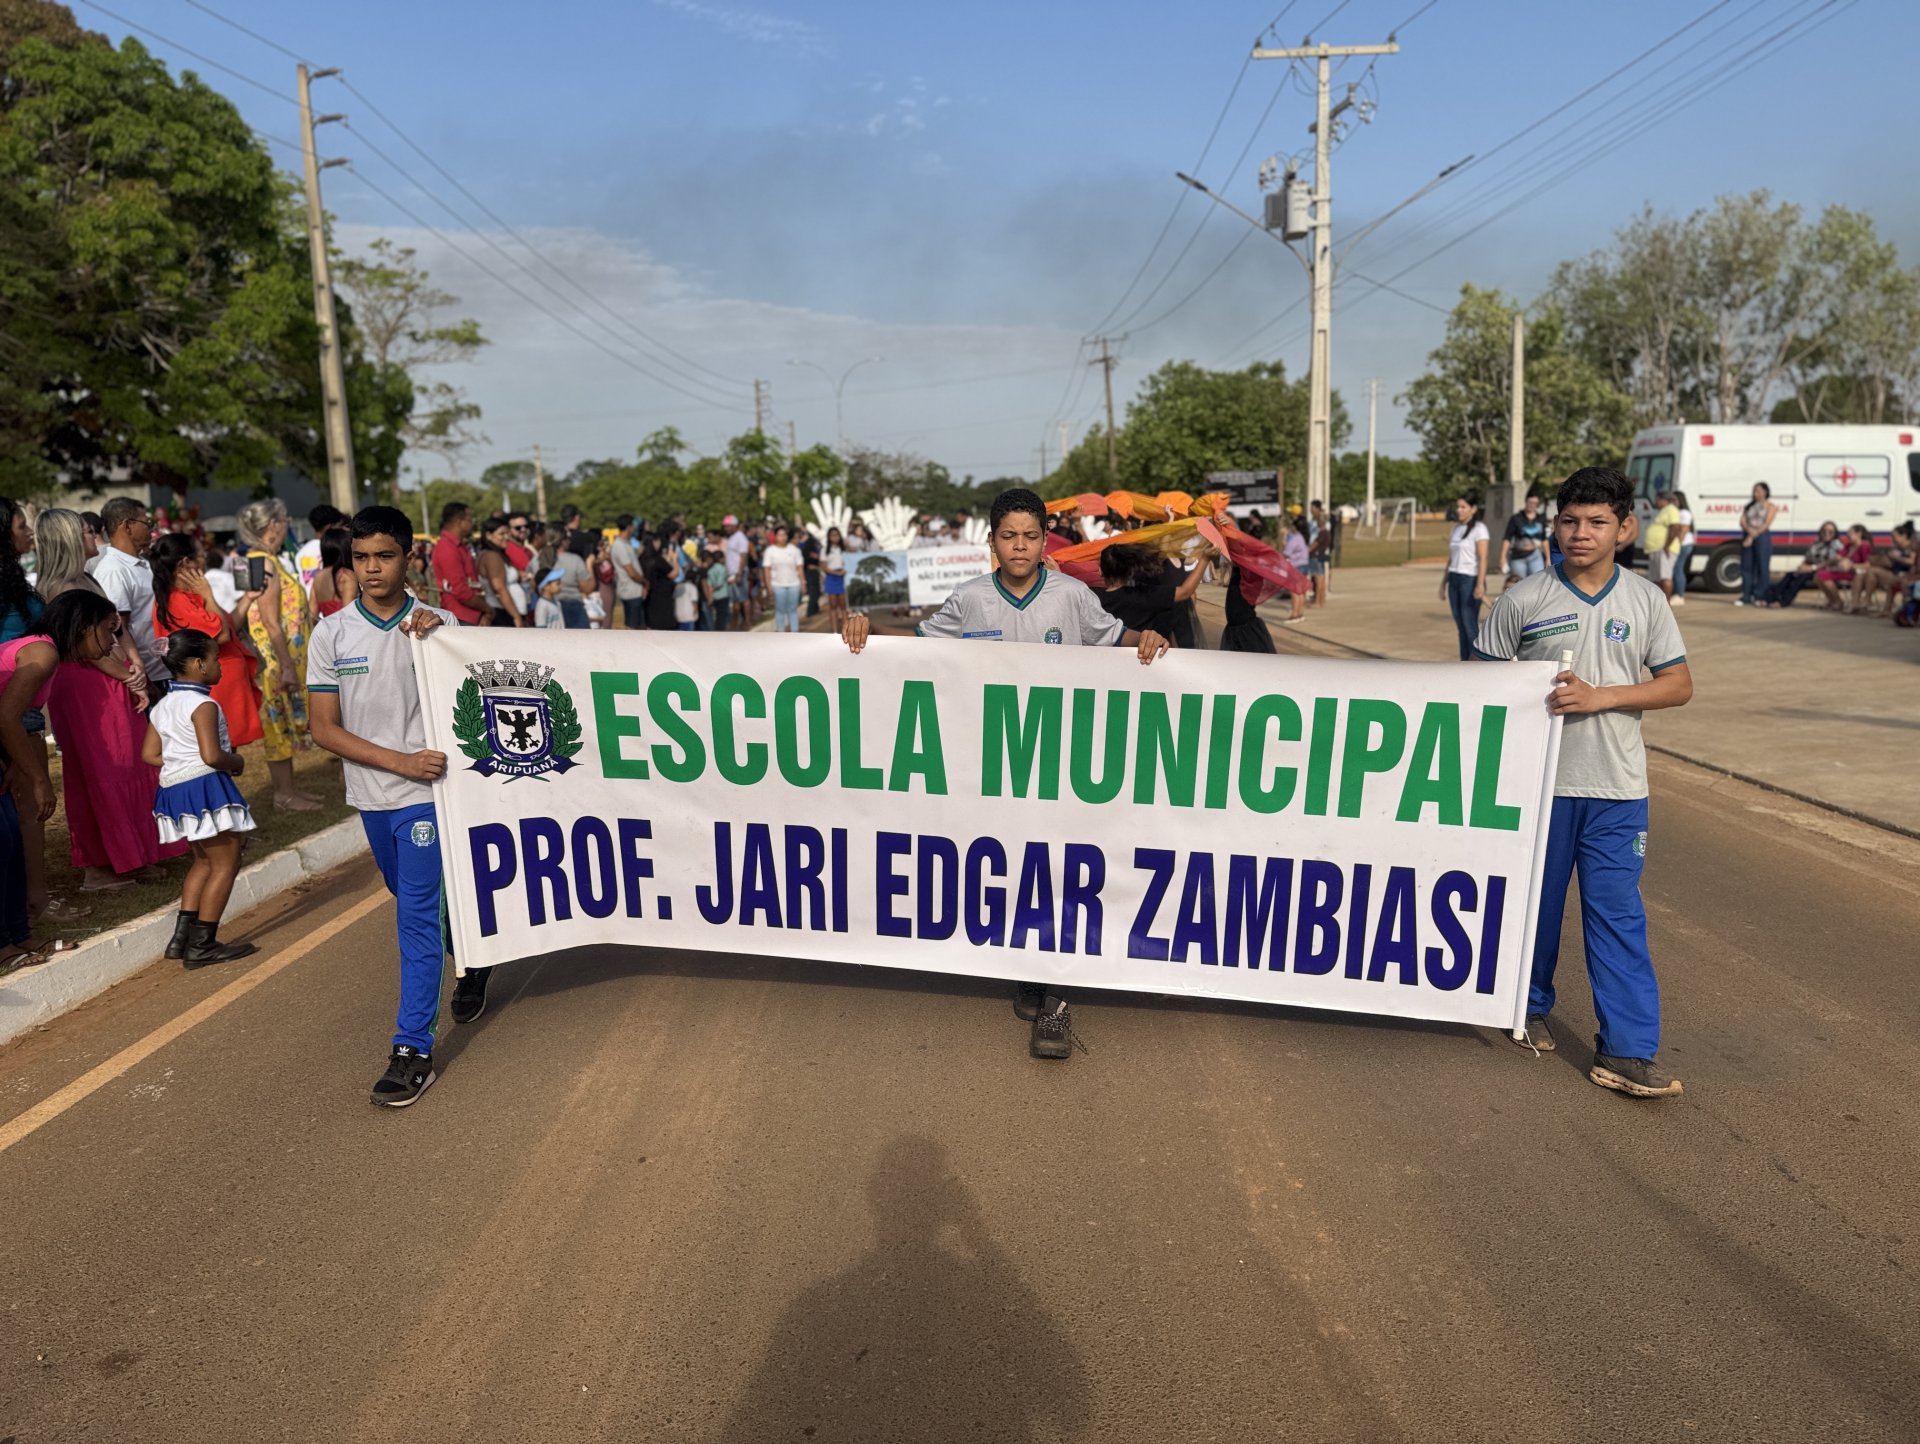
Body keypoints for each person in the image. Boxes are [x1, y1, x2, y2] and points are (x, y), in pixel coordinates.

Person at [841, 487, 1170, 1060]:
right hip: (995, 768)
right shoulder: (970, 599)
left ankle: (1057, 1004)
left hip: (1062, 763)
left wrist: (1150, 639)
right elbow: (916, 649)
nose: (1020, 546)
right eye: (1009, 536)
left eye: (1031, 536)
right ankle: (1030, 970)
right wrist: (866, 631)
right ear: (991, 543)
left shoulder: (1073, 596)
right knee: (1016, 868)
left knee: (1062, 871)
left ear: (1046, 542)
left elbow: (1117, 639)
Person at [1472, 466, 1691, 1099]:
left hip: (1618, 791)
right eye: (1569, 520)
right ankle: (1528, 1005)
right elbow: (1478, 688)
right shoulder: (1523, 598)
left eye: (1597, 521)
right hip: (1538, 787)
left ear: (1625, 529)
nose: (1581, 533)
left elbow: (1678, 685)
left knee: (1617, 915)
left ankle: (1626, 1050)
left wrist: (1604, 697)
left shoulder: (1646, 600)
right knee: (1536, 908)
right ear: (1554, 526)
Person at [308, 506, 474, 1109]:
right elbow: (323, 728)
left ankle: (411, 1051)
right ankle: (473, 956)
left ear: (409, 558)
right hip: (372, 796)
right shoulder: (331, 634)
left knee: (416, 917)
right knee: (409, 897)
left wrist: (441, 642)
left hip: (427, 797)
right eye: (361, 558)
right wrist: (398, 761)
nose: (372, 568)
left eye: (384, 556)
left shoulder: (439, 626)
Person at [2, 592, 147, 963]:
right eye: (107, 631)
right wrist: (39, 779)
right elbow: (6, 716)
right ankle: (6, 944)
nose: (111, 643)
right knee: (4, 840)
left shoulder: (49, 652)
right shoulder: (42, 653)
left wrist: (15, 762)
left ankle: (19, 934)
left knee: (11, 838)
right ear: (84, 628)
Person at [142, 630, 257, 968]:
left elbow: (150, 754)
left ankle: (181, 940)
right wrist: (236, 761)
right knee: (226, 862)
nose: (219, 665)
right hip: (204, 786)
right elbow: (211, 755)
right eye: (215, 659)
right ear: (198, 665)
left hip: (174, 789)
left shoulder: (163, 705)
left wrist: (180, 762)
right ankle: (203, 944)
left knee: (203, 862)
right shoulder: (203, 703)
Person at [236, 498, 323, 812]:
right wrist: (285, 666)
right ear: (273, 525)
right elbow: (270, 621)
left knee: (284, 721)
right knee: (277, 723)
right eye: (284, 520)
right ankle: (283, 794)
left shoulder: (268, 559)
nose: (287, 525)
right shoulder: (263, 563)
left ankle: (290, 789)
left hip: (286, 657)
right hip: (276, 661)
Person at [150, 531, 264, 756]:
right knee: (218, 751)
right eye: (201, 555)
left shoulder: (190, 596)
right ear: (186, 563)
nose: (205, 560)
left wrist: (248, 598)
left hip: (223, 681)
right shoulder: (178, 600)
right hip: (213, 683)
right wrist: (209, 595)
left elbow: (229, 626)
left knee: (226, 748)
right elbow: (221, 636)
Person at [92, 497, 170, 698]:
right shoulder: (114, 570)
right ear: (127, 526)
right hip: (150, 678)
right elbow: (117, 630)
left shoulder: (142, 563)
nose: (151, 529)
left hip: (164, 671)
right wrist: (143, 679)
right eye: (147, 522)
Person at [1096, 543, 1210, 640]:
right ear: (1130, 570)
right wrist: (1205, 558)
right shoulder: (1144, 595)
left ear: (1101, 571)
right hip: (1142, 656)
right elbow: (1185, 592)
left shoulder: (1093, 598)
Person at [1219, 515, 1280, 654]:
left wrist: (1230, 527)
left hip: (1244, 631)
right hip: (1240, 626)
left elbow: (1236, 550)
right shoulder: (1251, 566)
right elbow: (1236, 551)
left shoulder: (1250, 569)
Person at [1441, 496, 1488, 662]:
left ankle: (1478, 663)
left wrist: (1480, 584)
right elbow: (1451, 558)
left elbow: (1483, 557)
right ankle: (1464, 663)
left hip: (1470, 580)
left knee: (1469, 625)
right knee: (1460, 626)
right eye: (1458, 507)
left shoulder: (1479, 529)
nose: (1459, 510)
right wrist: (1443, 583)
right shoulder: (1455, 529)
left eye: (1463, 507)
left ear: (1473, 509)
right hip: (1454, 579)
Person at [1761, 521, 1841, 609]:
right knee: (1790, 575)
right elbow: (1808, 557)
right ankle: (1769, 599)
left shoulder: (1836, 544)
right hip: (1810, 567)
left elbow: (1832, 561)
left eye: (1830, 532)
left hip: (1823, 569)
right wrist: (1802, 566)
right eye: (1824, 531)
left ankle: (1783, 602)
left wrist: (1812, 568)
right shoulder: (1817, 543)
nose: (1826, 534)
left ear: (1835, 533)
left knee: (1800, 578)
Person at [431, 503, 486, 626]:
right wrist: (488, 609)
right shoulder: (447, 548)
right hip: (461, 618)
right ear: (459, 522)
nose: (472, 523)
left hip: (472, 614)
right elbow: (460, 590)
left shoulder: (458, 546)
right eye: (470, 519)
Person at [1848, 520, 1915, 618]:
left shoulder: (1911, 547)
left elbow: (1912, 562)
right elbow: (1890, 563)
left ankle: (1868, 601)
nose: (1893, 539)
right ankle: (1859, 602)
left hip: (1906, 575)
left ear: (1903, 536)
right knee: (1865, 573)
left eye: (1894, 536)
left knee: (1872, 571)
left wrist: (1896, 558)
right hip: (1894, 572)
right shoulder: (1896, 547)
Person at [474, 515, 528, 628]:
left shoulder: (497, 555)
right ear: (489, 535)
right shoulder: (491, 556)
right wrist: (516, 616)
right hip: (502, 614)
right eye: (501, 534)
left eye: (508, 533)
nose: (506, 537)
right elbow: (499, 588)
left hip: (507, 613)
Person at [1736, 481, 1779, 608]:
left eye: (1758, 491)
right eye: (1754, 491)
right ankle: (1746, 595)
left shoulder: (1770, 506)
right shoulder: (1749, 506)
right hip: (1748, 534)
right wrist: (1749, 532)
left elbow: (1767, 523)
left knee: (1762, 566)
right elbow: (1742, 521)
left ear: (1765, 492)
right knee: (1747, 566)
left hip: (1762, 536)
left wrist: (1753, 534)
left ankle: (1760, 595)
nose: (1756, 493)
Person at [762, 524, 805, 633]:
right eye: (780, 535)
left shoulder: (794, 550)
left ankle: (794, 632)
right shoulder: (770, 551)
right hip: (778, 584)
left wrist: (803, 583)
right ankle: (781, 632)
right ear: (775, 536)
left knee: (793, 609)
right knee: (780, 610)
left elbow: (799, 567)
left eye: (784, 535)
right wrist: (768, 586)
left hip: (794, 584)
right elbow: (767, 569)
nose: (782, 537)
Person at [308, 525, 358, 619]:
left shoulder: (319, 576)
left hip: (327, 626)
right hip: (344, 627)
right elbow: (348, 615)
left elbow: (312, 615)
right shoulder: (346, 575)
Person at [1499, 491, 1549, 584]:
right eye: (1530, 502)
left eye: (1535, 503)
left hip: (1535, 555)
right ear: (1526, 502)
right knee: (1519, 584)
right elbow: (1507, 538)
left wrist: (1548, 558)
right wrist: (1502, 557)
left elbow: (1544, 539)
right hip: (1518, 557)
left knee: (1537, 583)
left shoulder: (1540, 519)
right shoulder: (1516, 519)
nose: (1532, 505)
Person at [296, 504, 346, 592]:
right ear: (329, 527)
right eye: (340, 526)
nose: (342, 530)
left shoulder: (301, 553)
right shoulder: (335, 549)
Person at [1644, 491, 1683, 601]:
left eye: (1657, 499)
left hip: (1664, 549)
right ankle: (1659, 604)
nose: (1655, 502)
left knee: (1665, 577)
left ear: (1663, 499)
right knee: (1656, 579)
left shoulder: (1671, 509)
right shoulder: (1663, 511)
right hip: (1656, 549)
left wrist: (1666, 546)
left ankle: (1666, 605)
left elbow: (1675, 527)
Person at [610, 513, 646, 630]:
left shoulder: (627, 543)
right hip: (630, 591)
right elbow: (631, 572)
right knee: (632, 628)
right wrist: (644, 582)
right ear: (629, 527)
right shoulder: (619, 546)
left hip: (635, 590)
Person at [554, 529, 593, 629]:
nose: (570, 541)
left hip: (548, 604)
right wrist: (589, 566)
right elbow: (587, 588)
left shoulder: (539, 558)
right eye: (567, 539)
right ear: (562, 541)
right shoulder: (575, 560)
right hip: (573, 607)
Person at [1282, 516, 1311, 624]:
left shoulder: (1294, 539)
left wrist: (1284, 535)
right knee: (1300, 592)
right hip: (1304, 565)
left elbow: (1286, 552)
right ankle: (1300, 613)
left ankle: (1294, 615)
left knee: (1294, 592)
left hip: (1296, 566)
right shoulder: (1301, 537)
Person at [820, 526, 849, 635]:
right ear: (829, 537)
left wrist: (844, 571)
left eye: (837, 535)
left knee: (843, 606)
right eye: (832, 535)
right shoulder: (825, 550)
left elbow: (849, 560)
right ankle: (835, 631)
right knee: (833, 606)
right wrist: (836, 573)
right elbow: (823, 566)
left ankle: (845, 630)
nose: (835, 537)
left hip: (843, 577)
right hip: (831, 577)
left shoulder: (843, 549)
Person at [1668, 490, 1695, 603]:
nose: (1672, 502)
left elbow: (1683, 530)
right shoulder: (1678, 512)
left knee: (1678, 568)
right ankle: (1676, 594)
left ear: (1680, 500)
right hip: (1681, 544)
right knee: (1676, 568)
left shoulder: (1684, 513)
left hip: (1683, 545)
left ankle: (1679, 595)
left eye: (1674, 500)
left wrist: (1677, 544)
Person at [1306, 499, 1333, 607]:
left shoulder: (1323, 532)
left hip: (1316, 554)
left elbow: (1316, 542)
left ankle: (1318, 600)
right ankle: (1320, 599)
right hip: (1319, 553)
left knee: (1318, 577)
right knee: (1319, 577)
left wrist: (1308, 549)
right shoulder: (1323, 531)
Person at [706, 546, 733, 633]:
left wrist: (711, 591)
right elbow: (720, 583)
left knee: (717, 616)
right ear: (720, 559)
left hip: (715, 597)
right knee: (723, 616)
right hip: (723, 595)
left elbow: (709, 583)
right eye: (724, 558)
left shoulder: (710, 570)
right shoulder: (722, 568)